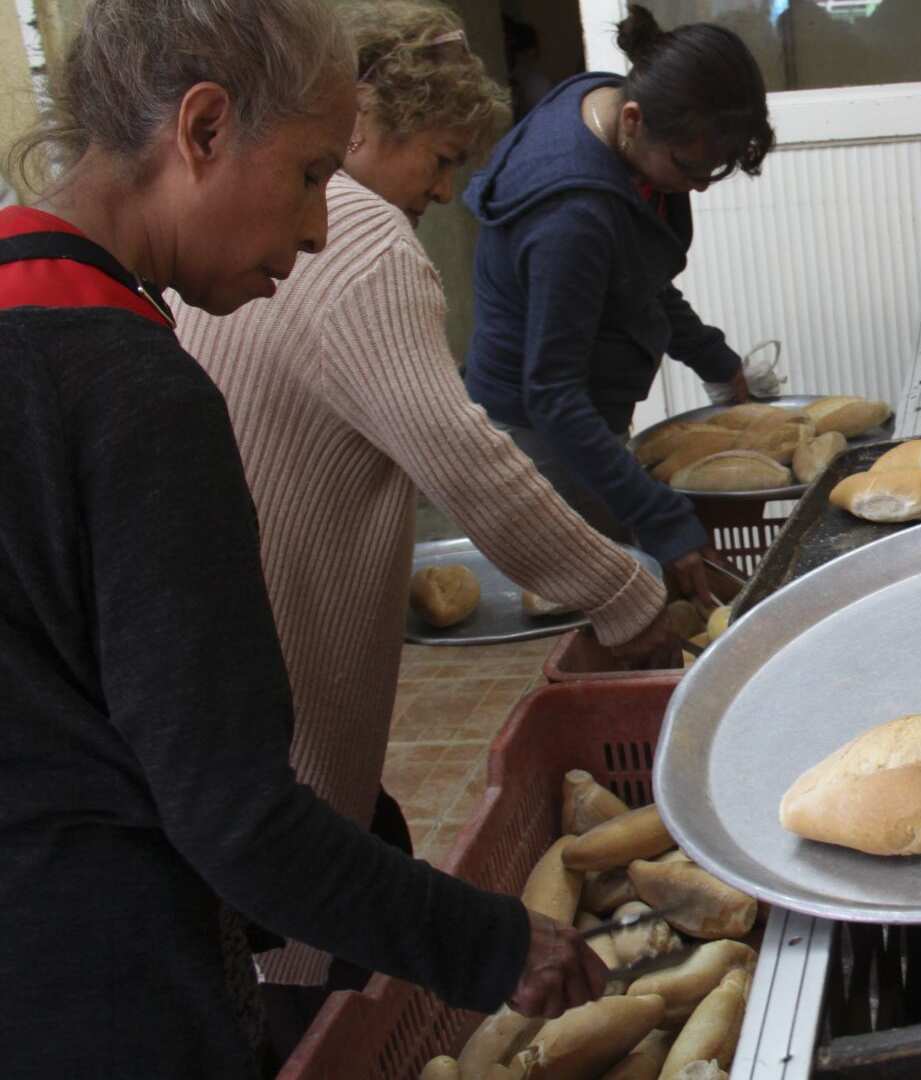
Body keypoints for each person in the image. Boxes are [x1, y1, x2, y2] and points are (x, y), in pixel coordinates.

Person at [0, 2, 604, 1074]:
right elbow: (234, 819)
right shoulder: (137, 395)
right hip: (98, 982)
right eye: (313, 173)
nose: (325, 227)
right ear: (203, 130)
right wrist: (494, 943)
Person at [170, 0, 676, 1058]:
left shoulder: (300, 230)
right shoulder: (355, 244)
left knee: (348, 854)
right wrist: (631, 595)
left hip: (235, 660)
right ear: (363, 128)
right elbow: (468, 461)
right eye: (441, 159)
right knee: (303, 958)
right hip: (277, 673)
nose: (447, 191)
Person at [463, 4, 774, 605]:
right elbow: (552, 393)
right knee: (622, 599)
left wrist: (711, 357)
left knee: (638, 577)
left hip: (574, 405)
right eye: (690, 168)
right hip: (538, 429)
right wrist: (662, 521)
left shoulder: (617, 110)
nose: (702, 185)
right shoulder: (571, 217)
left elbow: (636, 275)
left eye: (716, 170)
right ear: (632, 120)